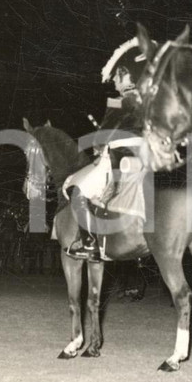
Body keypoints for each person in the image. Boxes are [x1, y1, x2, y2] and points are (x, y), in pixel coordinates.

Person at [63, 35, 150, 262]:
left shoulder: (119, 102)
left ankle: (89, 243)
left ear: (127, 75)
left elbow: (104, 138)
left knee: (76, 190)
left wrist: (98, 144)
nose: (114, 81)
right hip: (147, 157)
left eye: (117, 76)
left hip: (117, 157)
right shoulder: (150, 100)